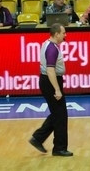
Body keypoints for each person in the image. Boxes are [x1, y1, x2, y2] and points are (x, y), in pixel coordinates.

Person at [29, 23, 72, 157]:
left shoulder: (47, 44)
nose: (65, 35)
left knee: (57, 113)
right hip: (50, 82)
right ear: (56, 34)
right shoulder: (52, 49)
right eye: (63, 33)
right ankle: (59, 148)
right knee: (60, 115)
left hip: (47, 81)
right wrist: (57, 90)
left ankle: (38, 138)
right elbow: (50, 70)